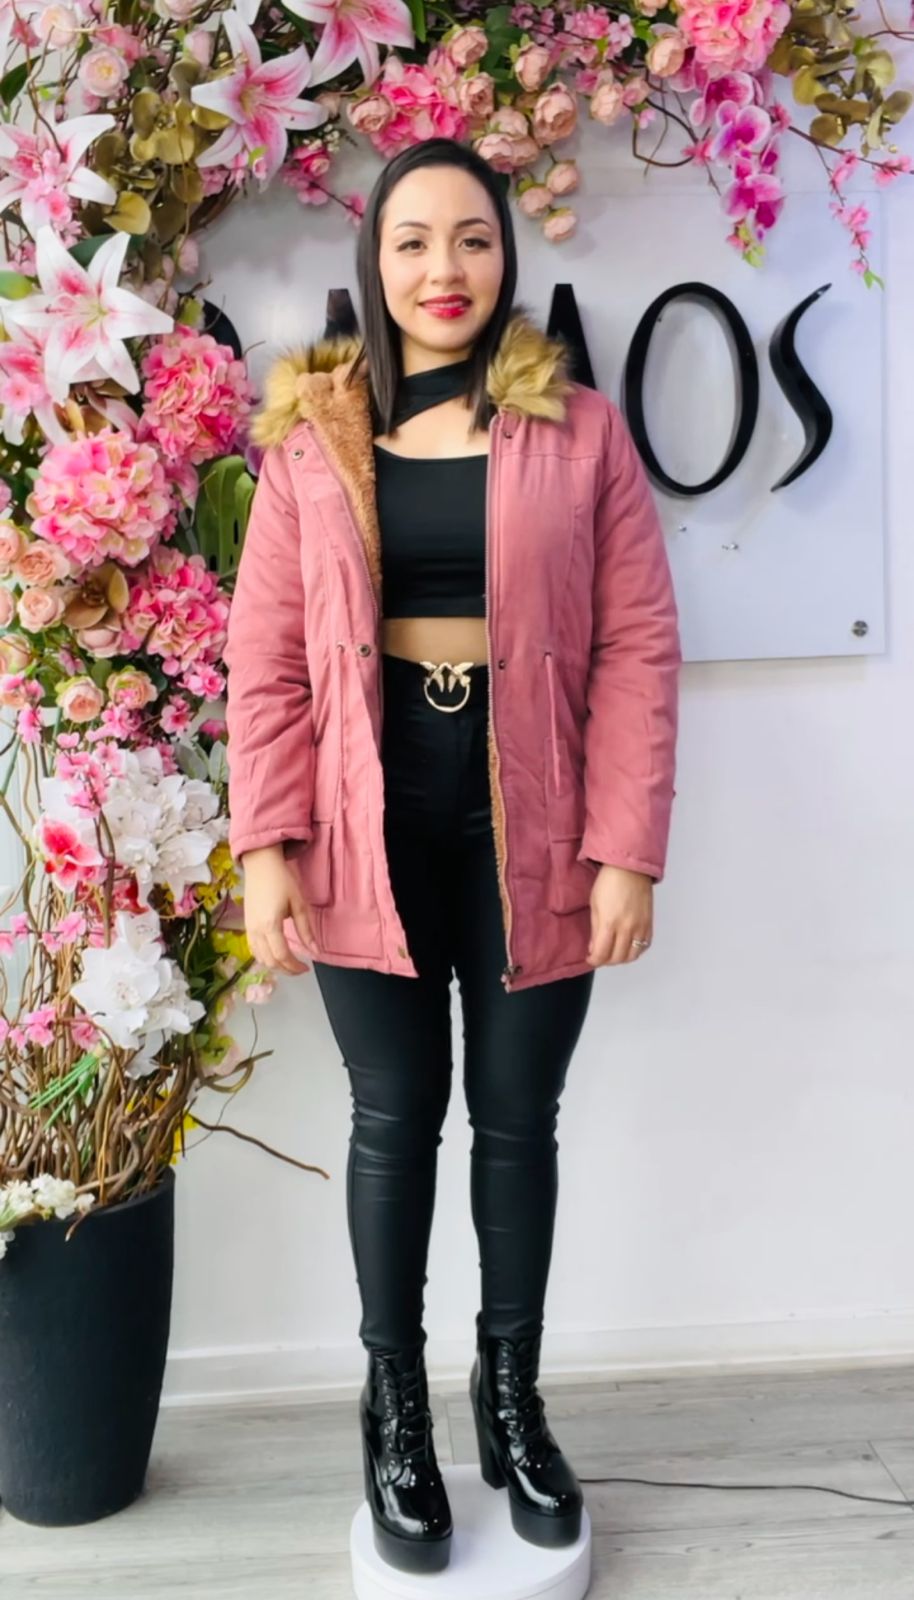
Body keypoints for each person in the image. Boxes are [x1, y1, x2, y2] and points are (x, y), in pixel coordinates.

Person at [225, 136, 682, 1576]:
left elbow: (638, 651)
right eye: (413, 241)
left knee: (516, 1121)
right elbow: (263, 666)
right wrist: (265, 846)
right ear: (375, 262)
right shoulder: (312, 444)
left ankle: (511, 1400)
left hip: (535, 821)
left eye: (472, 239)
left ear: (506, 258)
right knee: (392, 1118)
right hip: (368, 822)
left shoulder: (582, 434)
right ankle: (394, 1412)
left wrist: (627, 851)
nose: (444, 269)